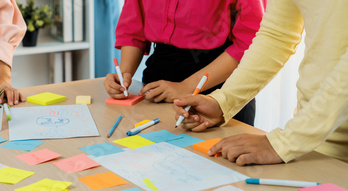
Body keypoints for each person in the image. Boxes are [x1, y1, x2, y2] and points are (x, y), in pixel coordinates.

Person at [174, 0, 348, 165]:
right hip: (315, 140)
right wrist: (223, 101)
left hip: (308, 136)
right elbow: (277, 35)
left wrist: (286, 141)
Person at [103, 0, 267, 126]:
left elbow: (250, 41)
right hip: (158, 81)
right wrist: (124, 75)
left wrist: (185, 87)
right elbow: (133, 25)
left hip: (220, 82)